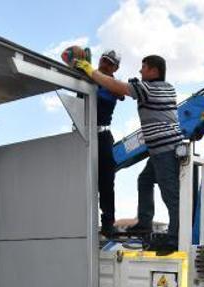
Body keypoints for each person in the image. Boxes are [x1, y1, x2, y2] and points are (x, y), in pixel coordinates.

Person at [76, 55, 183, 251]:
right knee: (144, 180)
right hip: (162, 149)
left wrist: (90, 71)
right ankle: (144, 223)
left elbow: (117, 88)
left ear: (153, 70)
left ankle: (175, 238)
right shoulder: (167, 87)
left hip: (164, 151)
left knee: (171, 196)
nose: (140, 72)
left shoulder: (147, 88)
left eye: (143, 68)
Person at [95, 50, 124, 238]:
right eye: (103, 60)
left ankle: (108, 223)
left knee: (106, 180)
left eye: (109, 63)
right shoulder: (89, 76)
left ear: (115, 68)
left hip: (102, 135)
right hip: (82, 135)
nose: (105, 64)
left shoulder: (114, 85)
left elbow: (116, 94)